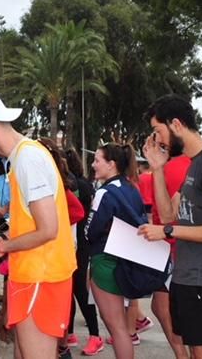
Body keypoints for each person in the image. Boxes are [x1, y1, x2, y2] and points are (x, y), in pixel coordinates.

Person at [0, 92, 76, 359]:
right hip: (31, 274)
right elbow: (30, 221)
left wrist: (2, 246)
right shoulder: (21, 157)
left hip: (42, 274)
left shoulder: (28, 159)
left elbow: (48, 229)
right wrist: (1, 243)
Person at [139, 94, 202, 359]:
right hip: (189, 277)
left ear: (176, 125)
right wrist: (158, 169)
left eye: (158, 131)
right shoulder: (195, 164)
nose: (157, 139)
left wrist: (168, 232)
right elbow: (170, 215)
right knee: (198, 351)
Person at [85, 143, 144, 359]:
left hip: (105, 260)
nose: (93, 165)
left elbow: (90, 230)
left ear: (112, 164)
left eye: (97, 160)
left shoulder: (104, 192)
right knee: (120, 326)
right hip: (125, 259)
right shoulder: (130, 187)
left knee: (117, 328)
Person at [142, 125, 191, 359]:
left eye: (157, 132)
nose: (154, 138)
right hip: (172, 247)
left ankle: (182, 355)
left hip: (173, 249)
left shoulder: (173, 168)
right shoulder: (181, 165)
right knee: (163, 308)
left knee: (165, 309)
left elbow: (171, 215)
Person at [38, 137, 85, 358]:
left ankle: (62, 347)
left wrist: (53, 223)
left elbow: (78, 212)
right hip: (53, 249)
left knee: (58, 306)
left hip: (59, 250)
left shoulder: (58, 184)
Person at [65, 147, 102, 355]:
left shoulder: (78, 186)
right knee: (69, 289)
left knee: (79, 289)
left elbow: (80, 215)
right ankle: (69, 332)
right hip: (77, 243)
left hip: (79, 244)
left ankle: (95, 336)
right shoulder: (84, 184)